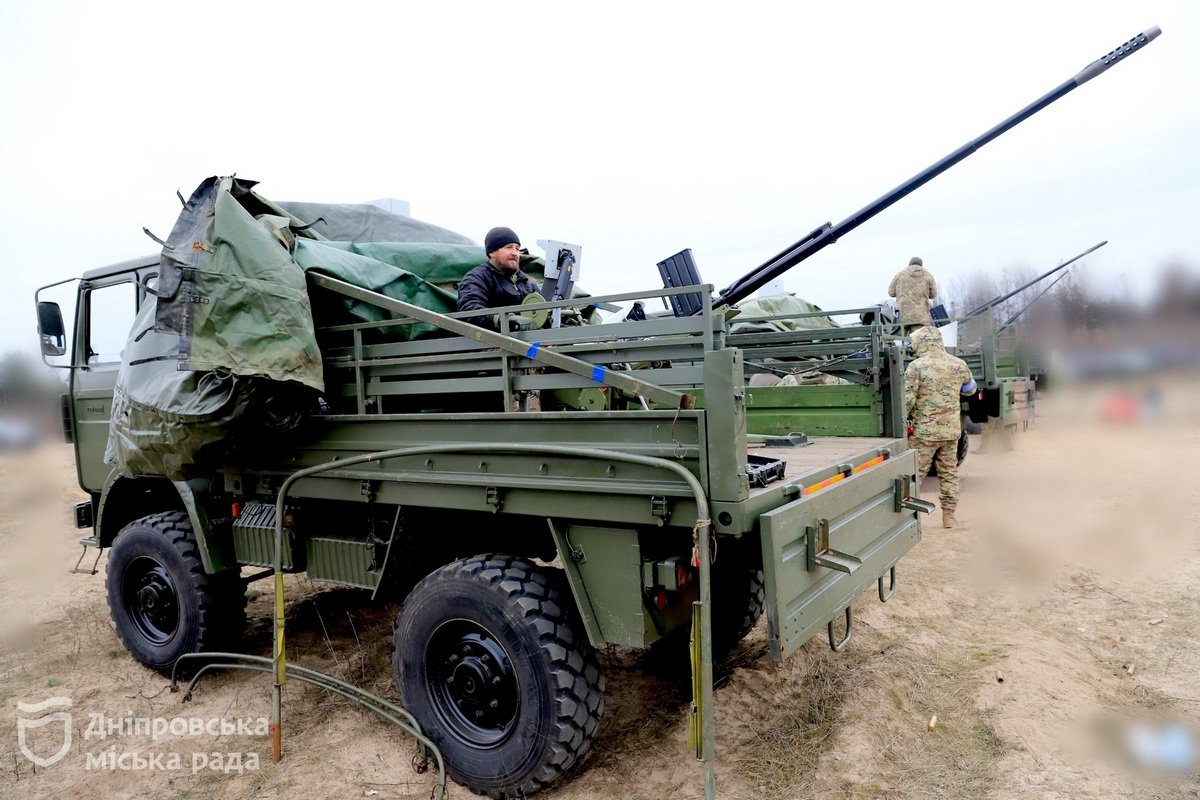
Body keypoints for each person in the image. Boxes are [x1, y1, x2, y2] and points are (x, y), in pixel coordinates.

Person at [904, 325, 976, 528]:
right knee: (949, 473)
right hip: (951, 431)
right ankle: (949, 517)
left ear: (921, 342)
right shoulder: (958, 364)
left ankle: (908, 520)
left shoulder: (916, 366)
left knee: (914, 475)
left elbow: (907, 400)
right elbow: (970, 390)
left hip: (924, 433)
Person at [457, 226, 538, 331]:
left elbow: (544, 309)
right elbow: (469, 309)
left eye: (517, 248)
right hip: (491, 339)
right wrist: (502, 319)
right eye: (509, 247)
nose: (515, 253)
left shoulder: (526, 283)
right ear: (492, 252)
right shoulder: (477, 278)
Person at [888, 256, 938, 331]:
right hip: (921, 318)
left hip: (903, 316)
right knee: (918, 337)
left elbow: (891, 292)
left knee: (900, 338)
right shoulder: (928, 275)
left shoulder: (900, 274)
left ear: (910, 264)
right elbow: (933, 295)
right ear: (921, 265)